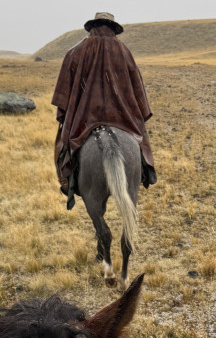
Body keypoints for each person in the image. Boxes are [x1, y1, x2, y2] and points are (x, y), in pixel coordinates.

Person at [52, 12, 157, 209]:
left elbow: (64, 92)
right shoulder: (124, 51)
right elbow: (137, 89)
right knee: (140, 138)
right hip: (121, 116)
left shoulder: (76, 51)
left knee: (61, 142)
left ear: (93, 26)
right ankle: (147, 171)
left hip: (84, 117)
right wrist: (137, 112)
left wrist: (67, 113)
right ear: (113, 27)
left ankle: (65, 181)